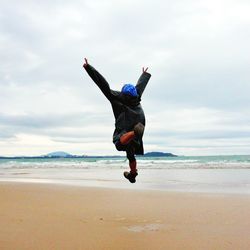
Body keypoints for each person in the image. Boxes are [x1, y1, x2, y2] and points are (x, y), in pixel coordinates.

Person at [83, 58, 151, 183]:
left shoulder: (117, 100)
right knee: (130, 153)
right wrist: (144, 75)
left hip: (129, 128)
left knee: (119, 144)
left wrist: (89, 68)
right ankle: (133, 174)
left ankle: (134, 132)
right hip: (139, 122)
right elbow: (140, 86)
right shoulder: (137, 97)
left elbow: (102, 84)